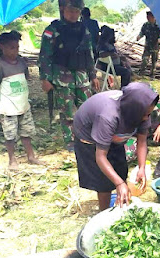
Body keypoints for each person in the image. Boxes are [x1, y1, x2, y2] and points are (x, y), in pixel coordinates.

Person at [73, 82, 159, 211]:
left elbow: (142, 142)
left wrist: (142, 168)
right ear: (134, 110)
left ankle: (121, 204)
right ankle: (103, 213)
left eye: (148, 114)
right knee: (102, 181)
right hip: (89, 137)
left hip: (114, 136)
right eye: (145, 114)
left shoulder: (140, 111)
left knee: (120, 169)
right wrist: (119, 183)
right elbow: (100, 157)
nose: (147, 118)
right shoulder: (108, 116)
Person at [38, 0, 99, 151]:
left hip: (81, 76)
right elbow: (45, 56)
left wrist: (93, 75)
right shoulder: (53, 30)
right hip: (62, 77)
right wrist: (45, 79)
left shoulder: (84, 29)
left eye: (77, 12)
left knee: (88, 108)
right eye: (71, 11)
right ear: (63, 10)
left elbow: (89, 54)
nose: (73, 14)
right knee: (67, 111)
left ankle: (90, 137)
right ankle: (70, 141)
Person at [0, 32, 43, 170]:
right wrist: (0, 98)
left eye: (17, 47)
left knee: (26, 132)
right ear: (2, 47)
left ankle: (30, 156)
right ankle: (12, 160)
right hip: (7, 107)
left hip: (23, 104)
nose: (15, 51)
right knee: (10, 135)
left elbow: (25, 78)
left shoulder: (21, 62)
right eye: (11, 48)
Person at [124, 99, 160, 178]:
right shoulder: (131, 104)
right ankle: (141, 152)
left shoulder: (159, 104)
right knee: (127, 156)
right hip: (136, 137)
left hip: (154, 136)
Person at [136, 11, 160, 79]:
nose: (148, 18)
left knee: (154, 62)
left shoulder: (159, 26)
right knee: (145, 60)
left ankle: (152, 75)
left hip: (155, 46)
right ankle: (141, 73)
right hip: (147, 46)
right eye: (147, 17)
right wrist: (139, 36)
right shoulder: (146, 25)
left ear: (153, 17)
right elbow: (142, 32)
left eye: (149, 17)